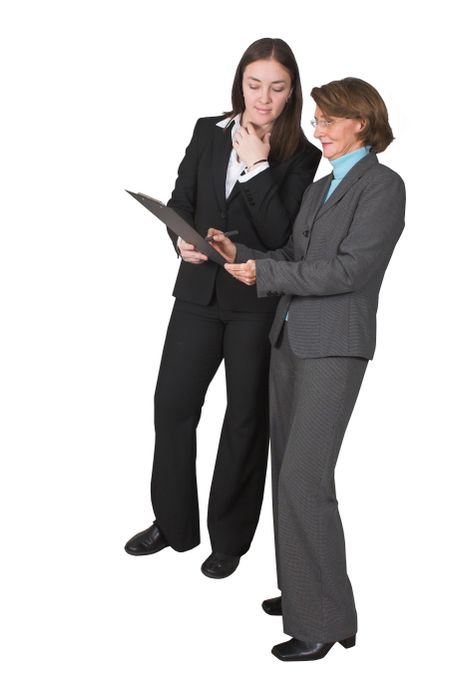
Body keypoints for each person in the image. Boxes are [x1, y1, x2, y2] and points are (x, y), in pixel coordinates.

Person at [209, 77, 405, 656]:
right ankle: (304, 589)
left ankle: (321, 621)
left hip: (334, 345)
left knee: (305, 479)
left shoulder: (382, 187)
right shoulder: (321, 190)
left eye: (326, 121)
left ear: (361, 123)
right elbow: (295, 259)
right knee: (288, 473)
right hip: (289, 339)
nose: (316, 130)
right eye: (316, 121)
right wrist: (238, 254)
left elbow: (350, 271)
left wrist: (265, 276)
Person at [124, 38, 321, 579]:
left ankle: (228, 540)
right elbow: (182, 199)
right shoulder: (207, 130)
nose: (263, 98)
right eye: (254, 85)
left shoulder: (302, 156)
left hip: (255, 304)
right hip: (196, 295)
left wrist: (258, 168)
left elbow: (283, 235)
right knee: (173, 406)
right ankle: (173, 524)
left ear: (291, 93)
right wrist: (179, 241)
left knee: (244, 421)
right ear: (240, 83)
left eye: (277, 88)